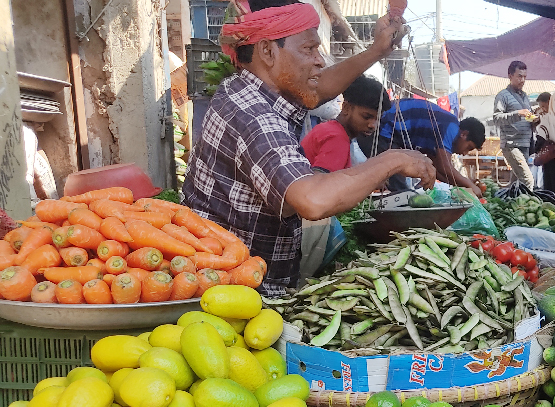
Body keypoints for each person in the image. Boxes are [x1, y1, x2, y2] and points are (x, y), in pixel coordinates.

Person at [183, 0, 435, 296]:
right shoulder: (253, 115)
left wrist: (377, 50)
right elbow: (312, 200)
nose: (319, 61)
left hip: (242, 281)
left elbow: (318, 87)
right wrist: (392, 160)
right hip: (233, 293)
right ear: (267, 51)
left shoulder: (252, 89)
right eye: (309, 49)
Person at [377, 99, 486, 191]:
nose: (464, 153)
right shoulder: (451, 127)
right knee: (397, 184)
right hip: (388, 126)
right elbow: (445, 167)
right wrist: (469, 184)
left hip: (394, 132)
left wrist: (464, 185)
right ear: (464, 134)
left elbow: (438, 170)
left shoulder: (441, 133)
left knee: (397, 184)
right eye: (468, 147)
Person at [301, 75, 389, 172]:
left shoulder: (330, 128)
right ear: (346, 107)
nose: (373, 125)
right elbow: (321, 183)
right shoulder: (337, 138)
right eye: (366, 117)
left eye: (378, 119)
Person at [493, 61, 536, 189]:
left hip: (525, 144)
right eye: (519, 76)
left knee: (516, 184)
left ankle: (509, 206)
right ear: (510, 76)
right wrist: (518, 113)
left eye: (524, 77)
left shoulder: (525, 97)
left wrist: (534, 120)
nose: (522, 80)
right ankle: (528, 208)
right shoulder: (502, 96)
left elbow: (526, 117)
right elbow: (496, 118)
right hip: (512, 145)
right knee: (528, 180)